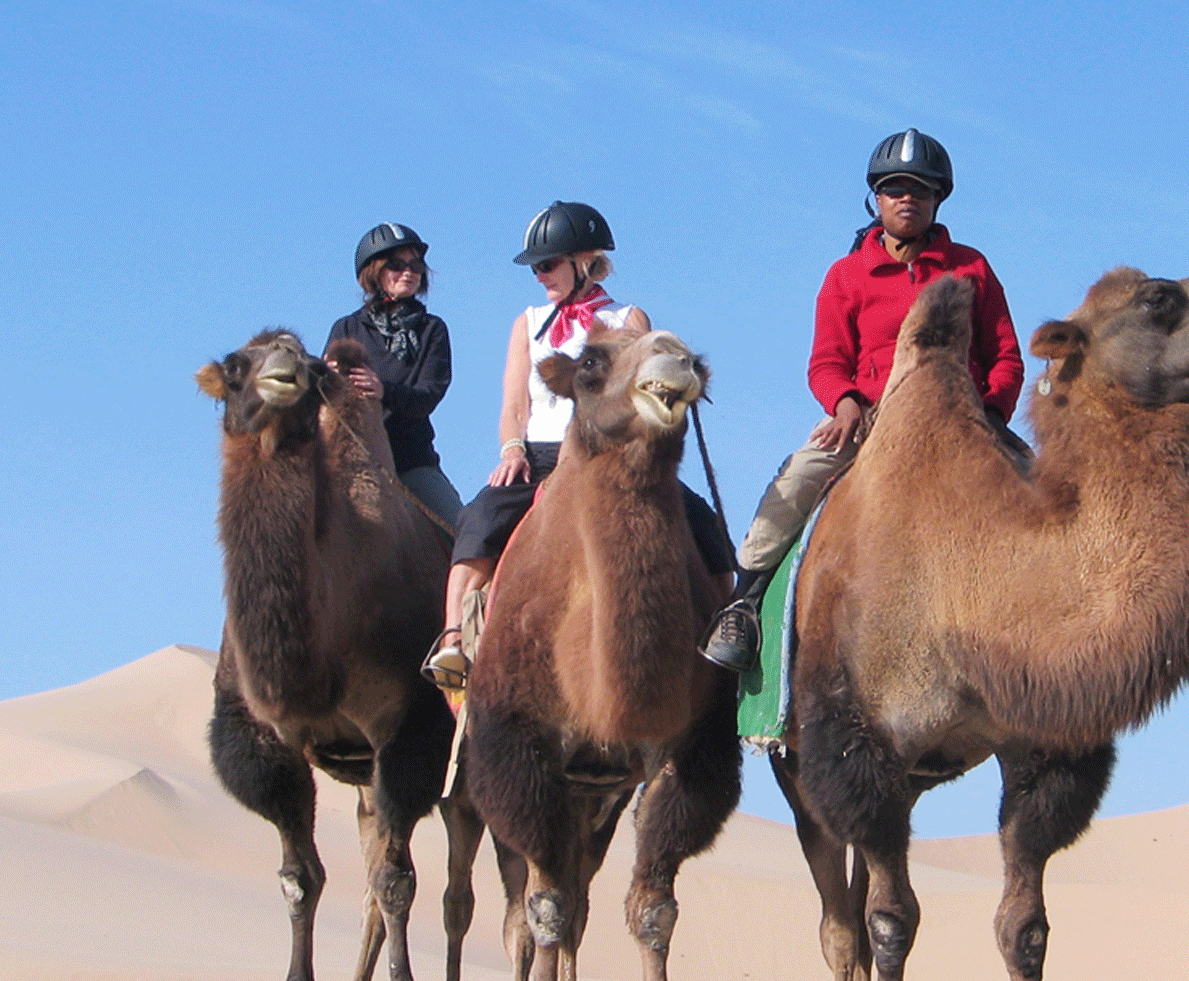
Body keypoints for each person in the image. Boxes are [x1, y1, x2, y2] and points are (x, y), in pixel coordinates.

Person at [699, 128, 1024, 673]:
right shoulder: (846, 275)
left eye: (920, 189)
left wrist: (990, 413)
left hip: (961, 421)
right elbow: (825, 361)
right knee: (796, 480)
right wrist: (845, 403)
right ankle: (744, 605)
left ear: (938, 198)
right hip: (870, 421)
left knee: (1043, 488)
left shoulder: (972, 268)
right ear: (876, 198)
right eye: (894, 188)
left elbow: (1006, 356)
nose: (906, 198)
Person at [421, 202, 646, 689]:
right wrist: (512, 450)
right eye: (535, 267)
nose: (540, 276)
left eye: (547, 264)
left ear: (584, 261)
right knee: (478, 517)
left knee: (698, 524)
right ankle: (453, 639)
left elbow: (633, 404)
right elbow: (513, 406)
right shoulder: (528, 323)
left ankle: (720, 635)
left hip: (603, 456)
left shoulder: (628, 319)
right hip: (537, 455)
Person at [328, 223, 461, 526]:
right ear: (373, 273)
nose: (409, 272)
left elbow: (429, 395)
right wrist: (326, 379)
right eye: (397, 265)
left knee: (465, 533)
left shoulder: (432, 329)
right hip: (354, 461)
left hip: (410, 462)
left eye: (416, 265)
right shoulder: (346, 328)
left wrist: (383, 391)